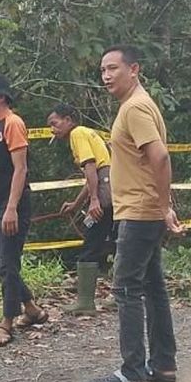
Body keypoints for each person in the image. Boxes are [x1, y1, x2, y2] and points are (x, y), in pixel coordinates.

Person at [87, 45, 186, 382]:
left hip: (139, 212)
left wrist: (162, 207)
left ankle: (131, 373)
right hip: (145, 209)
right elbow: (152, 161)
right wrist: (165, 207)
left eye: (113, 68)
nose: (107, 76)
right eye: (103, 71)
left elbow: (159, 156)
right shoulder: (138, 105)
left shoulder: (135, 108)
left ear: (134, 69)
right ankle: (162, 363)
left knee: (126, 288)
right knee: (153, 286)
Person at [0, 74, 46, 347]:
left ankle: (6, 325)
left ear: (1, 97)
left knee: (8, 263)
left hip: (13, 206)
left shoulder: (13, 124)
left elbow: (21, 169)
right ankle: (31, 308)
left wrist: (11, 208)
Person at [47, 104, 114, 315]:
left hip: (104, 191)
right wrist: (76, 204)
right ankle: (119, 296)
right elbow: (90, 175)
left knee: (91, 242)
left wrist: (94, 200)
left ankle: (85, 302)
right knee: (116, 242)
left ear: (68, 120)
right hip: (111, 188)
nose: (52, 130)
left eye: (55, 124)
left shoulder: (77, 134)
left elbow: (91, 167)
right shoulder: (87, 133)